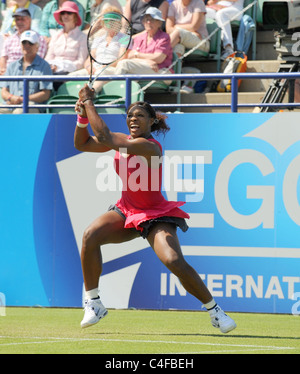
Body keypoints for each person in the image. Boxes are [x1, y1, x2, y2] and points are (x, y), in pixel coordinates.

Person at [73, 83, 237, 334]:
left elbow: (104, 136)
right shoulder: (122, 141)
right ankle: (93, 303)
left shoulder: (151, 147)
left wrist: (88, 102)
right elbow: (82, 144)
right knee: (89, 235)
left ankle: (215, 311)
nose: (133, 119)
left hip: (154, 214)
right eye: (130, 115)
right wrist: (82, 117)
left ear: (152, 122)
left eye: (140, 115)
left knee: (173, 260)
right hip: (126, 211)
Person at [68, 7, 127, 94]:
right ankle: (71, 101)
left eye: (113, 21)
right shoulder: (98, 39)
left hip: (111, 70)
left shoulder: (125, 38)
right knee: (70, 77)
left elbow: (121, 58)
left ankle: (89, 95)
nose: (110, 23)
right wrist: (89, 68)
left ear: (119, 22)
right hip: (95, 69)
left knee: (100, 73)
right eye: (107, 21)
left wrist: (105, 66)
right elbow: (90, 58)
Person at [112, 7, 174, 86]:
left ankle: (115, 91)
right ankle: (123, 96)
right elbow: (130, 55)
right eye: (146, 20)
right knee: (126, 74)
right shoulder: (139, 37)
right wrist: (147, 61)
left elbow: (158, 58)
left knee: (124, 64)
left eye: (152, 19)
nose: (148, 22)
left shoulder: (164, 37)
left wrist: (137, 54)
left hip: (162, 71)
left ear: (159, 23)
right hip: (145, 68)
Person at [0, 30, 53, 113]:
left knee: (19, 112)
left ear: (37, 46)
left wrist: (22, 99)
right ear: (20, 45)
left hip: (32, 105)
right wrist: (11, 97)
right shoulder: (12, 66)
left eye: (30, 43)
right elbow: (4, 91)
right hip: (11, 104)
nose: (27, 45)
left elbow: (45, 94)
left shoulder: (44, 66)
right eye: (24, 42)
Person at [0, 8, 47, 75]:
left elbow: (37, 61)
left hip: (28, 75)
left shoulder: (39, 39)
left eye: (22, 19)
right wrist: (3, 70)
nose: (19, 22)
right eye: (17, 19)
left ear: (30, 20)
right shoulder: (9, 39)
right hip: (8, 74)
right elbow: (3, 58)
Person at [45, 1, 88, 74]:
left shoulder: (83, 37)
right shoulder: (56, 36)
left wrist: (61, 67)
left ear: (75, 16)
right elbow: (48, 57)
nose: (65, 15)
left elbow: (81, 62)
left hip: (70, 73)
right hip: (52, 71)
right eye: (62, 13)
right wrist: (51, 66)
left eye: (69, 13)